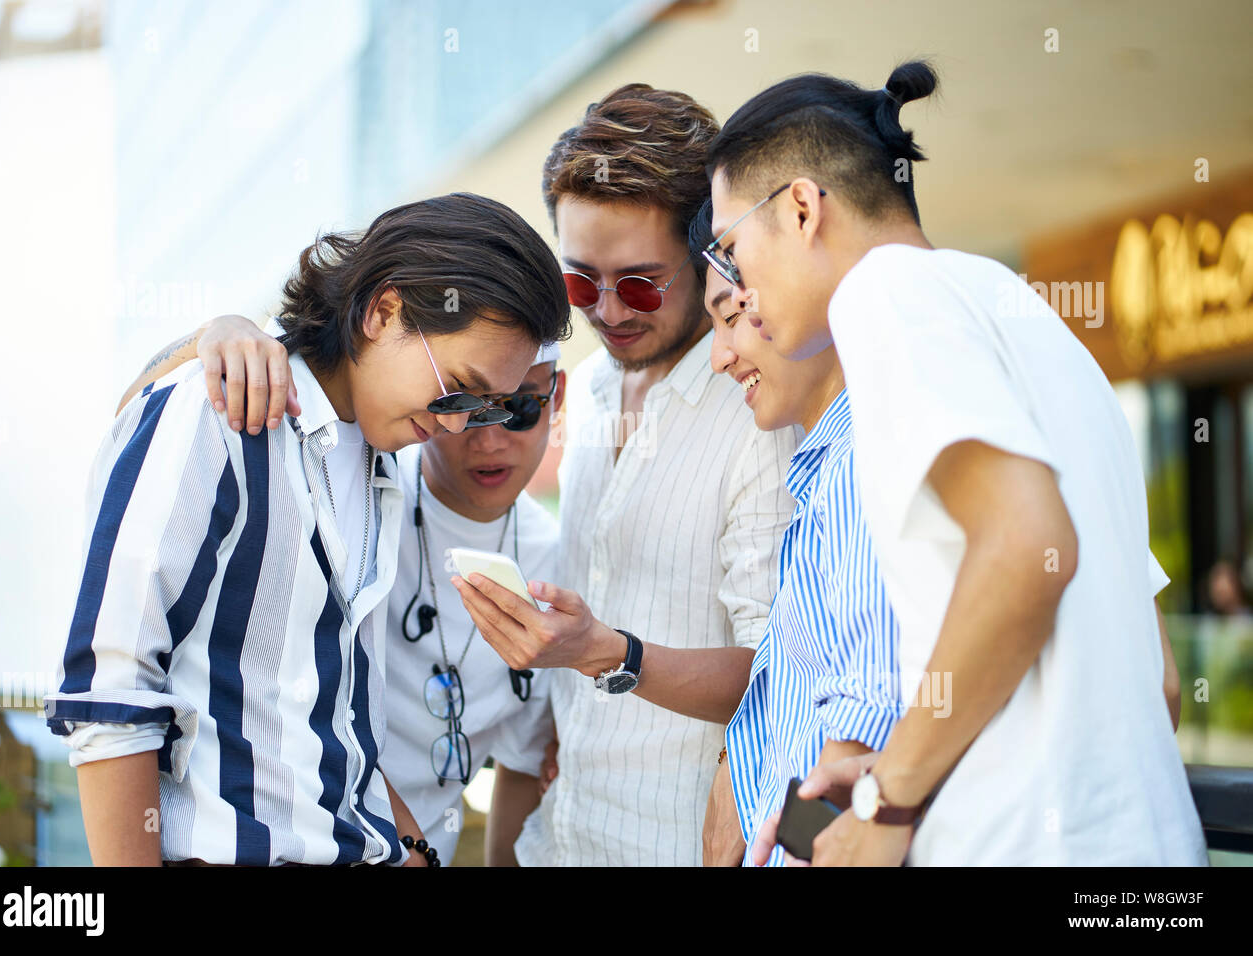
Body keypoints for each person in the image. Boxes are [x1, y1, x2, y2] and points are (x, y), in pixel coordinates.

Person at [703, 62, 1201, 865]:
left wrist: (888, 802)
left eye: (732, 249)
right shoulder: (1039, 327)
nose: (740, 292)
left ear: (801, 207)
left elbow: (1027, 552)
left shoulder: (885, 295)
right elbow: (1164, 686)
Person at [45, 193, 571, 866]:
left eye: (488, 406)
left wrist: (413, 851)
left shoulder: (378, 461)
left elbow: (336, 728)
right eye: (458, 390)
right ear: (384, 311)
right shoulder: (219, 410)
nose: (459, 425)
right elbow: (109, 699)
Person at [452, 84, 799, 866]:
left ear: (708, 253)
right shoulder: (592, 384)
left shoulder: (761, 416)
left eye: (640, 283)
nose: (607, 311)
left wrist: (606, 652)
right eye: (581, 283)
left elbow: (780, 675)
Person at [122, 322, 568, 867]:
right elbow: (135, 417)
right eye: (466, 402)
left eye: (518, 408)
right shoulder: (360, 478)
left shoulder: (558, 560)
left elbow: (524, 763)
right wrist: (214, 335)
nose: (489, 437)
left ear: (557, 396)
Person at [687, 200, 904, 867]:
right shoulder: (825, 471)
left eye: (732, 314)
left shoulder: (859, 469)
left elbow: (866, 721)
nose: (720, 357)